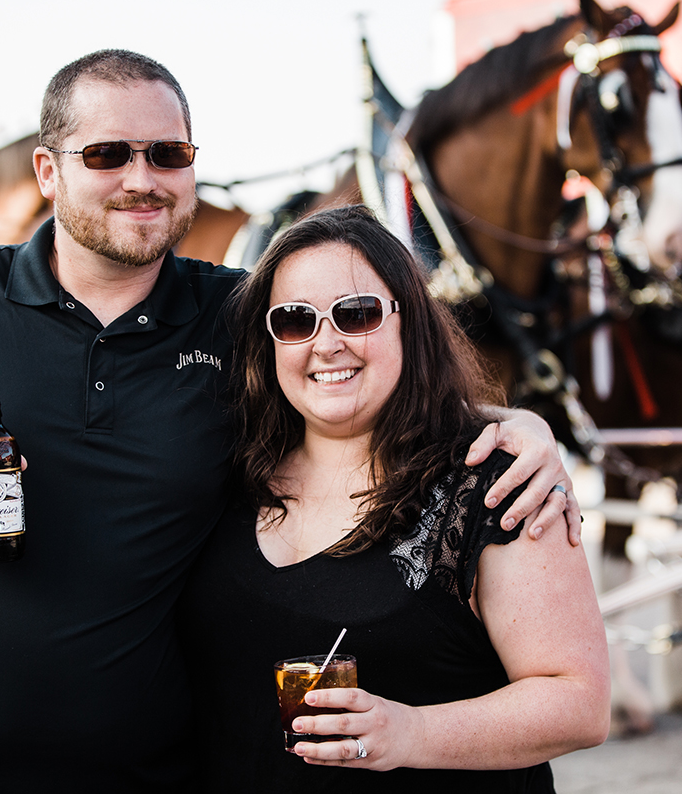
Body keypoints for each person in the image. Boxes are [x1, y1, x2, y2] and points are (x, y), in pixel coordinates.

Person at [0, 50, 581, 793]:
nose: (143, 178)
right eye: (108, 155)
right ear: (48, 171)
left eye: (169, 155)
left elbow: (355, 366)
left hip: (155, 775)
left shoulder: (234, 313)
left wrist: (512, 427)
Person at [178, 205, 609, 792]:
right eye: (296, 320)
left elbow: (579, 702)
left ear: (410, 323)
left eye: (356, 314)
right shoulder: (227, 470)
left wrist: (410, 733)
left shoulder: (498, 483)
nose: (326, 343)